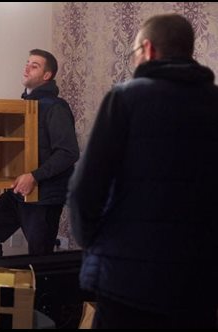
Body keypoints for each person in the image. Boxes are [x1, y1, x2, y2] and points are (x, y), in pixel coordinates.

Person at [67, 14, 218, 329]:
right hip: (199, 279)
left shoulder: (127, 97)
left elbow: (86, 187)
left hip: (127, 278)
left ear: (147, 49)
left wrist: (92, 242)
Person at [0, 49, 80, 259]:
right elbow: (17, 151)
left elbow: (69, 153)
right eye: (27, 63)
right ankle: (4, 290)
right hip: (17, 194)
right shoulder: (24, 107)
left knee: (39, 258)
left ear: (47, 75)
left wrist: (34, 176)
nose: (27, 68)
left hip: (44, 198)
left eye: (35, 65)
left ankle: (39, 293)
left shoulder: (56, 108)